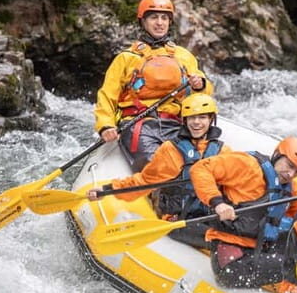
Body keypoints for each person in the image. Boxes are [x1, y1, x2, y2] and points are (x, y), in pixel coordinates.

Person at [86, 94, 229, 249]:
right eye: (191, 118)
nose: (196, 123)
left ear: (211, 120)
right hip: (179, 219)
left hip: (211, 213)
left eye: (202, 118)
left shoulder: (223, 151)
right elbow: (145, 182)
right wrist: (106, 190)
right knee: (226, 241)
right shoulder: (172, 150)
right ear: (184, 120)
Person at [93, 0, 212, 171]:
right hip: (138, 126)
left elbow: (204, 97)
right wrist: (105, 125)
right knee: (158, 167)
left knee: (194, 164)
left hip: (176, 124)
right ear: (143, 21)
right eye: (154, 17)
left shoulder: (183, 56)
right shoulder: (127, 58)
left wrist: (200, 85)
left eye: (164, 18)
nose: (160, 23)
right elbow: (107, 96)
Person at [189, 137, 297, 288]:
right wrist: (218, 203)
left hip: (258, 251)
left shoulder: (291, 190)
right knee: (294, 265)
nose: (291, 174)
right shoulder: (247, 165)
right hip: (231, 263)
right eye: (289, 165)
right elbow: (201, 168)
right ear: (277, 155)